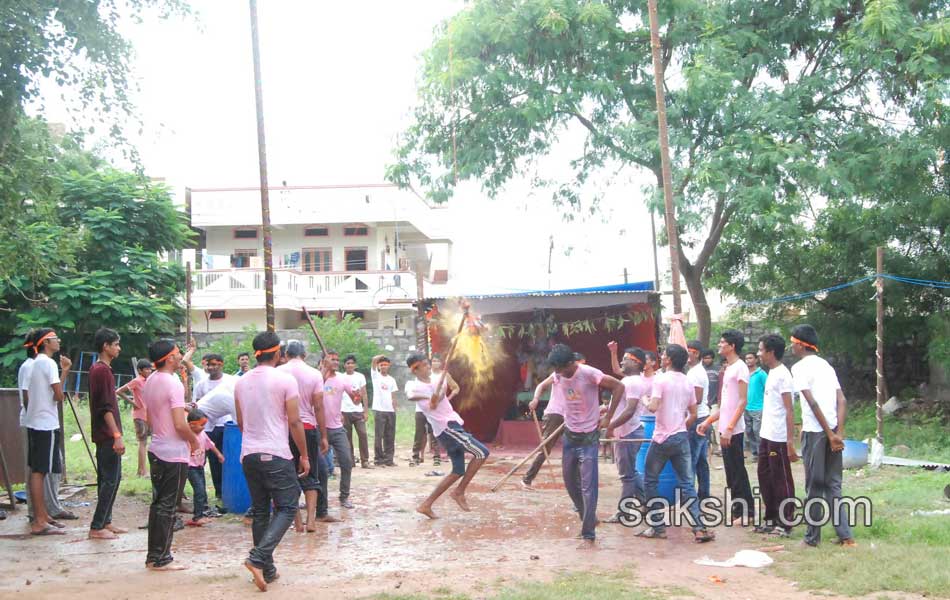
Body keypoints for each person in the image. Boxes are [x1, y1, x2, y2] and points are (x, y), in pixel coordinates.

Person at [234, 331, 309, 590]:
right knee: (288, 507)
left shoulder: (241, 382)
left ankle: (267, 569)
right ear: (277, 353)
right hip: (275, 453)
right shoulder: (285, 379)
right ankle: (257, 559)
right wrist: (304, 455)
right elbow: (295, 421)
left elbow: (241, 422)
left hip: (248, 455)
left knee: (261, 511)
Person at [547, 344, 625, 545]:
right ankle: (588, 517)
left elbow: (619, 386)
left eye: (560, 368)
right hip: (570, 435)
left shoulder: (589, 373)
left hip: (589, 436)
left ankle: (588, 532)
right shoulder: (558, 375)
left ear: (570, 364)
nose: (557, 373)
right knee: (570, 482)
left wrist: (608, 417)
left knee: (588, 486)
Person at [637, 344, 715, 543]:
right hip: (681, 437)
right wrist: (681, 425)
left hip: (662, 438)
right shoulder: (688, 382)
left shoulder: (660, 379)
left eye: (663, 355)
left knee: (650, 480)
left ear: (669, 360)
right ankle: (699, 528)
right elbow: (694, 414)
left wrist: (644, 399)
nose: (661, 357)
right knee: (687, 483)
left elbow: (653, 407)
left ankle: (657, 526)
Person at [790, 324, 855, 548]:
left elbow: (812, 402)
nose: (791, 347)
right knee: (834, 484)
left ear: (799, 345)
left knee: (814, 485)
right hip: (833, 432)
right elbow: (842, 400)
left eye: (793, 343)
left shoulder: (799, 368)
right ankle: (846, 536)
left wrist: (829, 433)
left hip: (816, 432)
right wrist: (838, 433)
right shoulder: (826, 366)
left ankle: (811, 538)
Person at [406, 353, 487, 519]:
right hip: (447, 428)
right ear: (415, 369)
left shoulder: (437, 380)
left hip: (452, 425)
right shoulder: (413, 386)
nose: (429, 366)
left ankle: (426, 505)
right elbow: (413, 397)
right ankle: (459, 492)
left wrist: (439, 391)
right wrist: (429, 396)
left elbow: (441, 396)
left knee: (457, 470)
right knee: (482, 452)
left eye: (428, 364)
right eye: (424, 365)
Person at [143, 338, 199, 571]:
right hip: (173, 452)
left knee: (158, 505)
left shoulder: (151, 380)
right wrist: (194, 441)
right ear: (168, 358)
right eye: (177, 354)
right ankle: (161, 558)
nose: (180, 357)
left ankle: (153, 555)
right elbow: (179, 424)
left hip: (156, 448)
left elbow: (150, 418)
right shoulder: (172, 382)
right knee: (168, 507)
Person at [697, 330, 755, 524]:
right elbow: (726, 405)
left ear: (732, 346)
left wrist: (730, 427)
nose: (720, 345)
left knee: (738, 470)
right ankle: (738, 511)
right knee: (730, 472)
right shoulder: (728, 369)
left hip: (734, 429)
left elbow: (742, 401)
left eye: (723, 343)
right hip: (724, 426)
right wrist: (708, 421)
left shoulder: (740, 368)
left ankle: (746, 512)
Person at [277, 340, 336, 529]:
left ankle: (297, 523)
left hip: (283, 429)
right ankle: (311, 520)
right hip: (308, 428)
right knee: (310, 474)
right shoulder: (313, 374)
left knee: (289, 475)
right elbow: (318, 407)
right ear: (304, 355)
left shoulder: (278, 373)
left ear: (285, 355)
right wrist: (324, 435)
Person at [24, 328, 72, 536]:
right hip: (45, 424)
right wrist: (65, 371)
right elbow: (59, 396)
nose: (58, 341)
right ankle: (40, 520)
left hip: (37, 422)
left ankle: (43, 516)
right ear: (45, 342)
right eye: (54, 338)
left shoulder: (36, 363)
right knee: (40, 472)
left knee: (39, 471)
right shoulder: (48, 363)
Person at [87, 328, 128, 540]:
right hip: (106, 434)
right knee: (110, 479)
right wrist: (116, 434)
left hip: (104, 434)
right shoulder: (101, 371)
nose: (118, 348)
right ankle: (97, 526)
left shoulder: (99, 369)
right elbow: (105, 407)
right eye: (116, 344)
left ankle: (106, 520)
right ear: (106, 346)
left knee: (109, 478)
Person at [755, 334, 798, 536]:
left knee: (781, 479)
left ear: (771, 352)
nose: (758, 353)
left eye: (761, 350)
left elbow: (790, 410)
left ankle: (786, 521)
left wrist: (790, 441)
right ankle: (771, 518)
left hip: (779, 437)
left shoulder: (783, 375)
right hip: (767, 434)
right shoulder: (771, 373)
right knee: (764, 476)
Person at [604, 343, 648, 522]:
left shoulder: (634, 382)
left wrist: (611, 425)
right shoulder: (628, 380)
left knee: (626, 476)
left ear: (637, 363)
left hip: (629, 432)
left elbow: (629, 410)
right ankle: (647, 502)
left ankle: (624, 512)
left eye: (626, 359)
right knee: (631, 473)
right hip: (627, 431)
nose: (622, 362)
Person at [190, 353, 234, 503]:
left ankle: (228, 490)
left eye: (214, 364)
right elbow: (196, 406)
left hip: (225, 425)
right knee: (212, 461)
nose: (211, 368)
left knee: (225, 459)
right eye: (208, 365)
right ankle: (218, 492)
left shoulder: (230, 380)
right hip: (206, 428)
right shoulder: (202, 384)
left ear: (221, 364)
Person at [321, 350, 358, 509]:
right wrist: (324, 372)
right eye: (332, 360)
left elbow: (355, 400)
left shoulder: (342, 379)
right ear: (324, 361)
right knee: (320, 468)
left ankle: (344, 497)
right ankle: (320, 501)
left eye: (337, 360)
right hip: (319, 429)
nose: (335, 362)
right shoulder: (317, 378)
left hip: (337, 428)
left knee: (347, 462)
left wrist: (357, 395)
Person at [521, 371, 562, 489]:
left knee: (575, 447)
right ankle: (527, 478)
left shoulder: (581, 376)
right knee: (545, 449)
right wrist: (535, 399)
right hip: (555, 414)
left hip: (570, 416)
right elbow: (542, 385)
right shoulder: (559, 374)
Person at [185, 408, 224, 526]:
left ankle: (200, 513)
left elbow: (210, 444)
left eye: (204, 425)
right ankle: (197, 517)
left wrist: (218, 454)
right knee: (199, 490)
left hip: (200, 466)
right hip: (190, 467)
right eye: (201, 425)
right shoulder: (187, 435)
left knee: (202, 490)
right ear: (191, 425)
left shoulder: (202, 434)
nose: (203, 427)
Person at [414, 354, 452, 466]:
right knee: (419, 434)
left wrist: (440, 400)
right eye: (432, 362)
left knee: (434, 433)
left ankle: (436, 456)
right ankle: (416, 456)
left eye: (437, 361)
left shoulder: (439, 378)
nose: (432, 365)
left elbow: (443, 392)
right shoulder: (418, 378)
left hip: (433, 411)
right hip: (420, 410)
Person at [117, 359, 153, 477]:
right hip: (140, 416)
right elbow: (119, 391)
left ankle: (146, 470)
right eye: (146, 369)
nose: (149, 371)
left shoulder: (151, 381)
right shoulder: (137, 381)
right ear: (140, 370)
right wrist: (133, 403)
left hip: (150, 416)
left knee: (150, 442)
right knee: (142, 442)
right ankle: (141, 470)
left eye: (149, 369)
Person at [686, 341, 711, 500]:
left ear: (696, 354)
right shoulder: (695, 371)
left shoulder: (696, 373)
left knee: (691, 459)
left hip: (697, 418)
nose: (686, 354)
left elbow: (698, 398)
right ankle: (703, 493)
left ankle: (690, 497)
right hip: (703, 417)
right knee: (701, 460)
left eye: (688, 351)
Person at [340, 355, 371, 469]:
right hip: (344, 411)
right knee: (347, 437)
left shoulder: (360, 377)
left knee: (362, 434)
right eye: (348, 363)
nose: (350, 365)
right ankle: (350, 461)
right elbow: (338, 395)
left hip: (358, 411)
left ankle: (365, 461)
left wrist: (366, 411)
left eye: (352, 363)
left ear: (355, 365)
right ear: (344, 365)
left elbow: (364, 394)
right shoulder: (341, 377)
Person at [371, 355, 398, 466]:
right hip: (379, 410)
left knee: (390, 435)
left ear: (389, 366)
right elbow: (373, 361)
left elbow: (393, 395)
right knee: (379, 435)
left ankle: (389, 459)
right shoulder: (376, 376)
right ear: (378, 366)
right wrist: (380, 356)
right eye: (381, 365)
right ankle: (378, 459)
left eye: (386, 365)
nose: (383, 367)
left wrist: (395, 408)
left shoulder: (391, 379)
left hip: (390, 410)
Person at [744, 352, 766, 458]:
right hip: (746, 407)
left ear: (756, 360)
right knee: (749, 431)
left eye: (750, 358)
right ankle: (755, 453)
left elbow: (767, 389)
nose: (748, 360)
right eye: (746, 358)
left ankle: (762, 452)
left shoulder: (761, 374)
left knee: (757, 430)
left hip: (758, 407)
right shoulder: (744, 374)